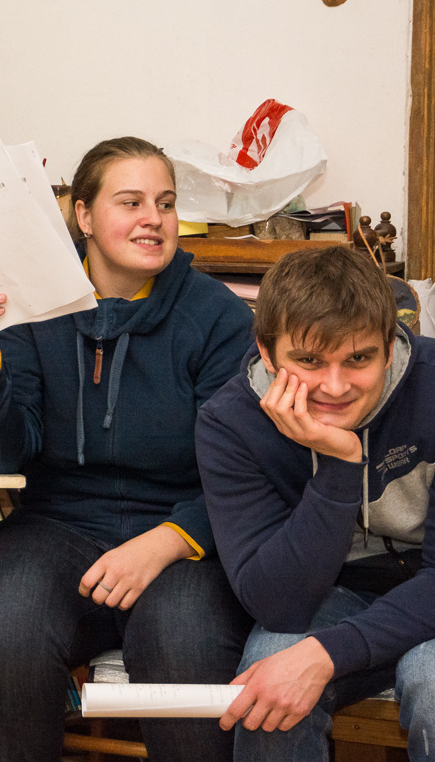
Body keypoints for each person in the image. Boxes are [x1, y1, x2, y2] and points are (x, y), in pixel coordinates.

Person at [0, 136, 255, 762]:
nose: (153, 219)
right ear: (84, 216)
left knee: (182, 641)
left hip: (185, 539)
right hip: (57, 527)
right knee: (1, 629)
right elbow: (4, 454)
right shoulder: (32, 306)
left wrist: (166, 541)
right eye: (131, 202)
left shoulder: (219, 319)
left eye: (165, 203)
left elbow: (247, 473)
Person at [198, 247, 435, 759]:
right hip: (331, 594)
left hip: (426, 588)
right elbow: (278, 604)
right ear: (266, 353)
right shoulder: (230, 421)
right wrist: (340, 465)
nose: (335, 386)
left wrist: (328, 653)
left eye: (359, 359)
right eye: (308, 361)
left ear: (388, 347)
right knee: (267, 684)